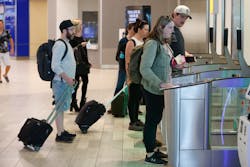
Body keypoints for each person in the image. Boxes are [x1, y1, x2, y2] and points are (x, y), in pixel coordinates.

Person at [140, 16, 176, 165]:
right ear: (161, 27)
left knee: (155, 120)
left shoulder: (163, 44)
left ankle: (153, 149)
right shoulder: (152, 44)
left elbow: (165, 63)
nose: (172, 31)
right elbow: (144, 69)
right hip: (153, 89)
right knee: (151, 121)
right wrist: (160, 84)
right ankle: (149, 154)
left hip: (161, 89)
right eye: (170, 28)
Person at [51, 20, 77, 143]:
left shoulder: (67, 43)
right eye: (71, 30)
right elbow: (55, 66)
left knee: (61, 108)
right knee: (59, 108)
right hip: (61, 82)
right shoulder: (60, 44)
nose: (73, 32)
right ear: (64, 31)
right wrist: (67, 78)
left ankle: (62, 131)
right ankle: (59, 134)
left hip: (66, 82)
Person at [125, 19, 149, 131]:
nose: (147, 31)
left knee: (138, 98)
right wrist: (129, 77)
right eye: (145, 29)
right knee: (133, 98)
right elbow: (127, 61)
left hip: (141, 75)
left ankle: (136, 119)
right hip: (134, 75)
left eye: (148, 29)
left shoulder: (145, 42)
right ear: (139, 29)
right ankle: (132, 121)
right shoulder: (131, 42)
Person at [69, 19, 91, 111]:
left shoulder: (82, 37)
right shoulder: (72, 38)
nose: (82, 26)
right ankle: (73, 101)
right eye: (81, 25)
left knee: (85, 81)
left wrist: (88, 61)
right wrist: (79, 45)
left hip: (83, 63)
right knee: (76, 83)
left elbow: (84, 52)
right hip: (76, 64)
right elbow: (71, 50)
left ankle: (82, 101)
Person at [170, 5, 193, 76]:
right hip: (171, 71)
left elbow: (175, 47)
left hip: (177, 69)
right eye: (182, 17)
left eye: (186, 18)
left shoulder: (177, 30)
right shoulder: (168, 30)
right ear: (174, 15)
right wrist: (174, 62)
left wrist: (185, 53)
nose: (184, 20)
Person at [113, 22, 135, 95]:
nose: (134, 30)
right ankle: (115, 103)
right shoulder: (123, 41)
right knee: (120, 84)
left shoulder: (135, 41)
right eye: (133, 29)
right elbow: (118, 55)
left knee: (130, 86)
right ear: (128, 30)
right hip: (123, 67)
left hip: (132, 67)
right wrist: (122, 60)